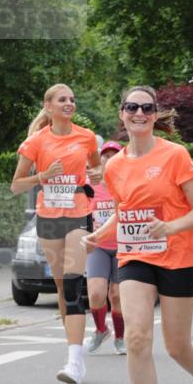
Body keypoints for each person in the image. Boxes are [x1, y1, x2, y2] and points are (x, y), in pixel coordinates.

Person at [86, 85, 193, 384]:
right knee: (138, 338)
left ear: (156, 115)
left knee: (177, 346)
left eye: (146, 108)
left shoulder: (175, 155)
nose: (139, 113)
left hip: (180, 256)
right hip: (136, 256)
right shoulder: (115, 165)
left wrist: (171, 228)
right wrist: (99, 234)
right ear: (122, 113)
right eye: (132, 107)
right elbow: (123, 211)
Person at [11, 84, 101, 384]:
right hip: (48, 218)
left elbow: (95, 169)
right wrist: (42, 177)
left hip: (77, 214)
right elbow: (16, 185)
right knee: (62, 287)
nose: (69, 103)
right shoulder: (35, 142)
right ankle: (72, 348)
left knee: (74, 285)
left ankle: (75, 362)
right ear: (48, 107)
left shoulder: (86, 137)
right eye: (62, 100)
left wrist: (98, 175)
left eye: (72, 99)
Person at [84, 141, 126, 355]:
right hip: (98, 246)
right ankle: (101, 330)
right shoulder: (91, 184)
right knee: (96, 294)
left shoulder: (126, 182)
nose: (109, 159)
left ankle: (120, 338)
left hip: (122, 246)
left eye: (114, 155)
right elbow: (80, 209)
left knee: (117, 296)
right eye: (105, 155)